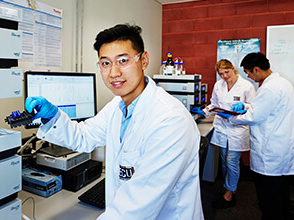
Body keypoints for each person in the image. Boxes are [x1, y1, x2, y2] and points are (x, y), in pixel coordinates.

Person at [25, 24, 204, 219]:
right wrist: (53, 117)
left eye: (123, 60)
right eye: (105, 63)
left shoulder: (171, 121)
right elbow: (85, 136)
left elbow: (133, 210)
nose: (113, 73)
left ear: (143, 60)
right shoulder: (118, 106)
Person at [218, 52, 294, 219]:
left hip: (270, 150)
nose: (248, 76)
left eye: (248, 72)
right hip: (279, 146)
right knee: (280, 192)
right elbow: (261, 107)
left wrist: (230, 116)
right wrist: (245, 105)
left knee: (269, 196)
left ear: (257, 69)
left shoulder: (269, 88)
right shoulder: (282, 83)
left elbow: (254, 116)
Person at [191, 59, 256, 209]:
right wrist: (204, 112)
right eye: (221, 74)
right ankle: (230, 187)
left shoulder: (247, 86)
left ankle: (229, 193)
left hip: (237, 129)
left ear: (233, 68)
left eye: (227, 72)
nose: (225, 76)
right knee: (224, 160)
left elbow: (253, 106)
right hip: (222, 127)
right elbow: (214, 103)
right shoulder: (218, 85)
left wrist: (243, 106)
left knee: (232, 161)